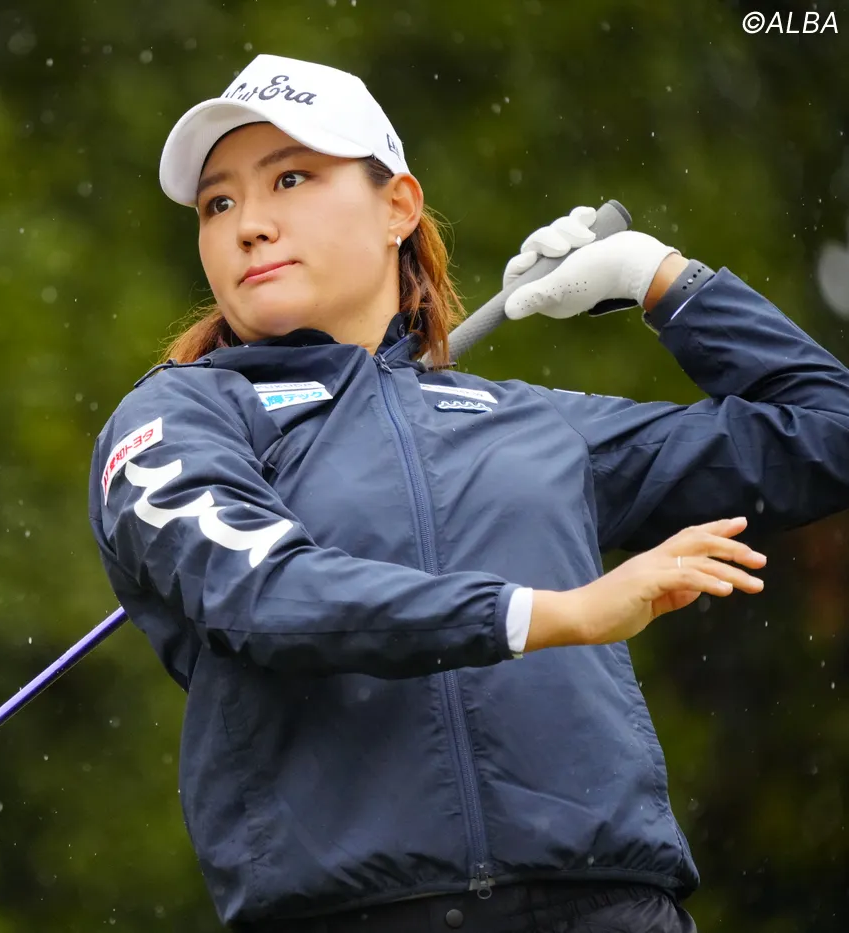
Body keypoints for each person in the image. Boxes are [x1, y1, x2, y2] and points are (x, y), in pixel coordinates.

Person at [86, 54, 849, 933]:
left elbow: (825, 435)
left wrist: (660, 279)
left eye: (291, 179)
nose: (249, 226)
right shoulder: (175, 417)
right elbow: (265, 594)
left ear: (398, 207)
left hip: (609, 909)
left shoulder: (531, 424)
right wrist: (549, 614)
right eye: (218, 204)